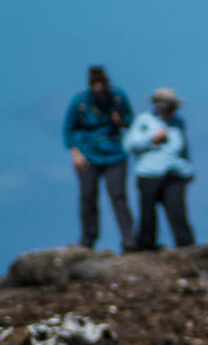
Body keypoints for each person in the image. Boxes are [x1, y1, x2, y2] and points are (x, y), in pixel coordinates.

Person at [63, 66, 136, 252]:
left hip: (115, 155)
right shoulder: (80, 101)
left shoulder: (117, 97)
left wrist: (122, 121)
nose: (98, 88)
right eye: (94, 85)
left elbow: (131, 121)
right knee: (88, 197)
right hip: (89, 155)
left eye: (101, 84)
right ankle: (88, 239)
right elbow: (68, 129)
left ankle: (130, 239)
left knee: (118, 197)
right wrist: (75, 153)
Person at [125, 87, 197, 251]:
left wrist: (189, 171)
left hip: (174, 174)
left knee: (178, 215)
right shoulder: (144, 121)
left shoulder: (179, 123)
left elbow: (184, 150)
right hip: (148, 174)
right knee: (148, 217)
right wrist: (151, 138)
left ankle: (188, 249)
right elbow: (129, 144)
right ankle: (145, 248)